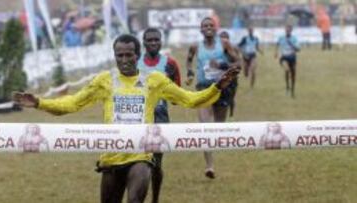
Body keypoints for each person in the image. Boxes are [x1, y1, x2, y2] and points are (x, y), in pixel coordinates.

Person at [13, 34, 239, 203]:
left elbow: (190, 100)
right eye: (119, 55)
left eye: (128, 55)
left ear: (137, 55)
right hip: (111, 157)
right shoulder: (104, 80)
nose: (124, 60)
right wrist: (39, 103)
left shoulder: (154, 80)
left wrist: (217, 86)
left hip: (140, 155)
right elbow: (72, 103)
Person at [185, 17, 240, 179]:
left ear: (216, 29)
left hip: (223, 88)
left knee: (219, 127)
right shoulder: (195, 46)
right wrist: (189, 72)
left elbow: (238, 63)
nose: (208, 28)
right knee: (204, 128)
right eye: (205, 26)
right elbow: (188, 61)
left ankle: (213, 145)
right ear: (201, 30)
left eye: (211, 25)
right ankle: (209, 166)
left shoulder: (224, 44)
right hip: (203, 89)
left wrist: (222, 66)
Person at [138, 27, 181, 203]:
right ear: (144, 42)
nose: (153, 43)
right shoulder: (134, 62)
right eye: (150, 40)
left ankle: (155, 199)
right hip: (136, 117)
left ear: (161, 41)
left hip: (160, 117)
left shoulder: (170, 64)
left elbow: (176, 98)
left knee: (156, 164)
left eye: (156, 39)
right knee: (136, 164)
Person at [275, 25, 300, 98]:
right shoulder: (281, 38)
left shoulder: (294, 38)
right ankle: (287, 87)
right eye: (286, 30)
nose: (288, 31)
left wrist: (292, 44)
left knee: (293, 75)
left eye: (289, 30)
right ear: (285, 30)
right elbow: (277, 44)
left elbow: (298, 49)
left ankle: (292, 90)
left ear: (291, 31)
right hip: (284, 58)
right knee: (286, 69)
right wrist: (276, 52)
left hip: (292, 58)